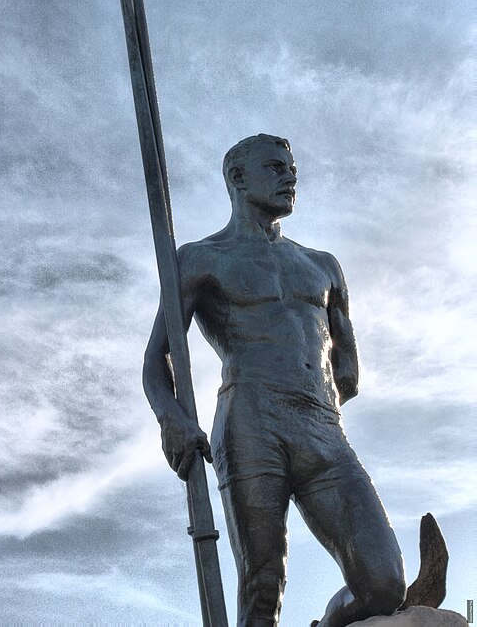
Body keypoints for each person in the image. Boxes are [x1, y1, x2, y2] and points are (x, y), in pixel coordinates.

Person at [143, 134, 406, 627]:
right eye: (275, 167)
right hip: (252, 423)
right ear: (237, 178)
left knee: (385, 584)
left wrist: (315, 396)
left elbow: (347, 372)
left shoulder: (322, 265)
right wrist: (171, 418)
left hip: (323, 429)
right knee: (263, 587)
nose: (289, 177)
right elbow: (157, 358)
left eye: (292, 169)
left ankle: (328, 623)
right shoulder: (201, 258)